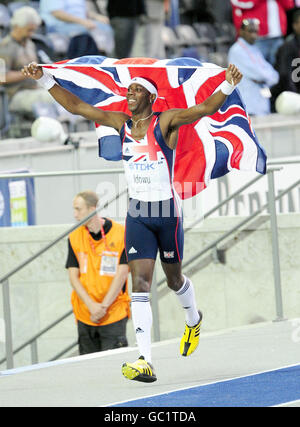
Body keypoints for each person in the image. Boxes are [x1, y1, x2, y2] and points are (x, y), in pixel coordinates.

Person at [22, 60, 243, 383]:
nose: (130, 94)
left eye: (137, 90)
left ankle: (193, 319)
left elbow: (203, 109)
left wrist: (228, 84)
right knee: (139, 284)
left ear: (151, 97)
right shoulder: (120, 123)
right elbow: (78, 106)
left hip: (166, 213)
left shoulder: (165, 122)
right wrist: (45, 79)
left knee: (174, 280)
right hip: (138, 214)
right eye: (128, 90)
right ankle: (144, 360)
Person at [65, 190, 130, 355]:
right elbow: (73, 277)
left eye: (78, 209)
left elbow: (122, 274)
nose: (75, 214)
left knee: (114, 368)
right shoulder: (74, 237)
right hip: (85, 314)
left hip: (113, 313)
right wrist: (92, 306)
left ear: (93, 209)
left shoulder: (121, 233)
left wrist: (103, 307)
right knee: (89, 371)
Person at [0, 6, 56, 118]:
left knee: (63, 92)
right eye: (29, 30)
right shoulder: (4, 47)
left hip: (35, 88)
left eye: (33, 30)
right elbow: (1, 77)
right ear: (17, 27)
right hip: (15, 94)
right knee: (52, 98)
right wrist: (26, 73)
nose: (31, 34)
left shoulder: (31, 44)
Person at [228, 18, 279, 115]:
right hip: (248, 104)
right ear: (241, 31)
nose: (253, 35)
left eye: (256, 31)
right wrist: (265, 78)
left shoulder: (255, 49)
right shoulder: (236, 50)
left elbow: (275, 76)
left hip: (261, 102)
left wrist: (265, 78)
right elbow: (259, 75)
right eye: (250, 31)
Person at [39, 0, 114, 55]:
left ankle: (101, 57)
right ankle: (81, 62)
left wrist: (97, 17)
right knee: (84, 31)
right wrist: (82, 22)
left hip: (79, 24)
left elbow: (83, 12)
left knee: (105, 27)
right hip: (59, 26)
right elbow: (57, 13)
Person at [231, 0, 294, 65]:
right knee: (255, 69)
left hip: (277, 36)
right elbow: (237, 2)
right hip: (256, 38)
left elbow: (289, 5)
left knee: (279, 69)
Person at [273, 9, 300, 95]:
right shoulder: (287, 47)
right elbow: (285, 76)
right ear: (295, 25)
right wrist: (295, 96)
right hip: (290, 96)